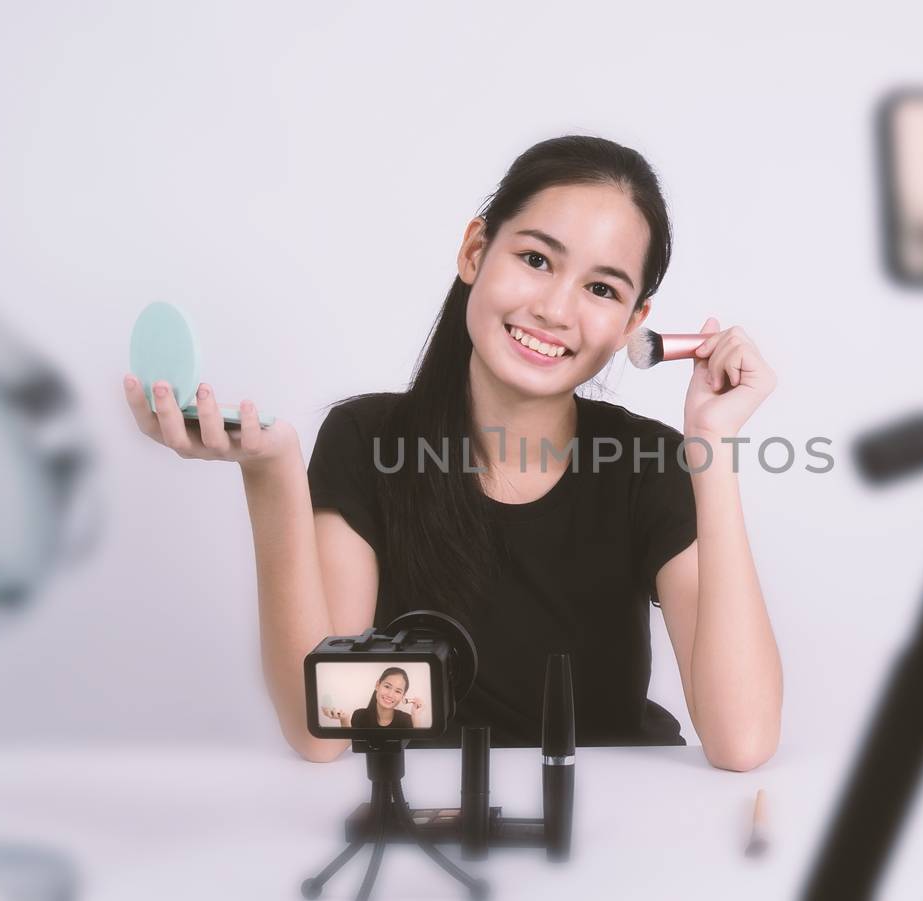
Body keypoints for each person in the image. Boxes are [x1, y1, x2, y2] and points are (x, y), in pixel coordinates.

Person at [122, 135, 782, 772]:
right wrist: (270, 473)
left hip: (612, 826)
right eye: (536, 259)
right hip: (429, 827)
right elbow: (322, 731)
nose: (555, 308)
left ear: (632, 325)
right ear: (475, 251)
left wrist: (712, 443)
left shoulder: (648, 463)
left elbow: (743, 739)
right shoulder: (365, 441)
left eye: (602, 290)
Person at [321, 667, 425, 729]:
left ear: (403, 696)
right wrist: (344, 720)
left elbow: (417, 750)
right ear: (377, 685)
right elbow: (352, 746)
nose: (390, 694)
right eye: (387, 686)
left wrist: (415, 717)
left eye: (398, 691)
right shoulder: (359, 715)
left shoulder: (406, 720)